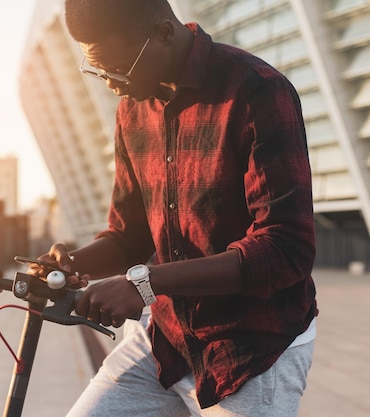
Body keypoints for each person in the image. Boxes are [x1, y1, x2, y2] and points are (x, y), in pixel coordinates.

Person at [31, 0, 318, 416]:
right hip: (167, 339)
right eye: (98, 71)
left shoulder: (256, 90)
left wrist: (144, 284)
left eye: (120, 69)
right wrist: (70, 266)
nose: (111, 84)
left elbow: (286, 248)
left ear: (165, 33)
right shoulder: (133, 109)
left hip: (253, 346)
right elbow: (129, 235)